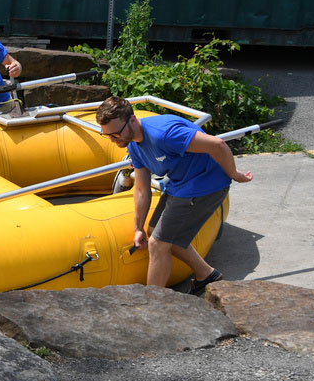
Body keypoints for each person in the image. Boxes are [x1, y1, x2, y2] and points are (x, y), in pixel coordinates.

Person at [95, 96, 253, 292]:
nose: (112, 139)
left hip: (206, 185)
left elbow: (217, 144)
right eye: (107, 135)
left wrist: (235, 174)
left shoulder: (164, 134)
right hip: (181, 185)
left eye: (115, 134)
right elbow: (142, 189)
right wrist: (138, 228)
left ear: (133, 120)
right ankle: (207, 275)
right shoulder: (134, 146)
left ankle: (155, 305)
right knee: (154, 231)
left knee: (157, 244)